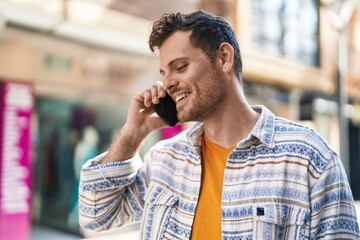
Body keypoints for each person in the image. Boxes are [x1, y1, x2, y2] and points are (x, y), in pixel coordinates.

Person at [78, 10, 360, 239]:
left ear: (224, 58)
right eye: (164, 73)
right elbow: (95, 215)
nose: (168, 83)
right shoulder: (165, 160)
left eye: (180, 67)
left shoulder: (309, 159)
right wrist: (133, 134)